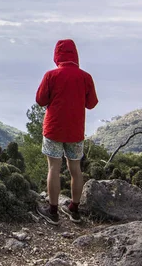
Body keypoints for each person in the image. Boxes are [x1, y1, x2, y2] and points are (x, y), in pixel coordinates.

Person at [35, 39, 98, 225]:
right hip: (75, 131)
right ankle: (74, 209)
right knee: (75, 170)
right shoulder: (85, 77)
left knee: (53, 168)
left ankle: (53, 212)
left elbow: (40, 100)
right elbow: (92, 103)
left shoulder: (50, 76)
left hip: (54, 129)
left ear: (57, 55)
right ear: (75, 54)